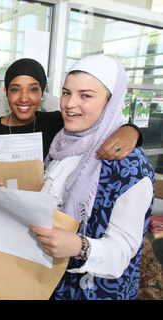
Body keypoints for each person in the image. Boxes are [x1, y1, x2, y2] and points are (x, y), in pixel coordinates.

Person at [0, 58, 141, 250]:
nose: (24, 98)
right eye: (15, 89)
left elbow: (99, 124)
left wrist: (131, 130)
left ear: (42, 94)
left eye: (33, 89)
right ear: (6, 92)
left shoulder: (56, 123)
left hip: (42, 229)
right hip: (0, 223)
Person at [29, 54, 154, 300]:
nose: (69, 104)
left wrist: (79, 246)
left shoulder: (129, 164)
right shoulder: (61, 144)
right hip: (52, 283)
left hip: (95, 291)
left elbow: (122, 253)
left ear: (111, 101)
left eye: (85, 95)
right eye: (66, 93)